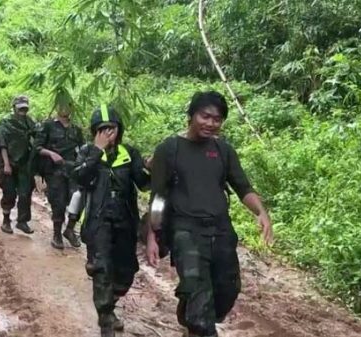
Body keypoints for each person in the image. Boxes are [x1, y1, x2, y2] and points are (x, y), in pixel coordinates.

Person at [145, 91, 273, 337]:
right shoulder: (169, 149)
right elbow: (158, 197)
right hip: (186, 232)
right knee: (199, 301)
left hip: (221, 230)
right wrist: (153, 235)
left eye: (217, 119)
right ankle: (198, 321)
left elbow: (242, 187)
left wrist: (261, 212)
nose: (211, 123)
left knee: (228, 289)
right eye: (205, 116)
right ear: (191, 115)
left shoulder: (223, 150)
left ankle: (193, 315)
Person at [74, 104, 150, 337]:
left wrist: (155, 169)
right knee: (103, 267)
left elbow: (144, 183)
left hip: (125, 220)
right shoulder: (87, 152)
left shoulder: (130, 153)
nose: (108, 133)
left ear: (120, 129)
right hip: (99, 220)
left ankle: (110, 304)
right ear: (95, 131)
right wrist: (97, 152)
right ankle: (105, 319)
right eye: (102, 128)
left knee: (126, 271)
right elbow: (79, 178)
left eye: (112, 128)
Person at [34, 105, 84, 249]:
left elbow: (82, 149)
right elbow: (37, 147)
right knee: (59, 202)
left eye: (68, 106)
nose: (65, 109)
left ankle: (69, 229)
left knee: (78, 198)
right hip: (54, 170)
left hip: (72, 170)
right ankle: (57, 234)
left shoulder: (76, 129)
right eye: (62, 105)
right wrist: (51, 153)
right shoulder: (48, 126)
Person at [0, 95, 37, 235]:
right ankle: (6, 220)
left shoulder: (29, 122)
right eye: (20, 109)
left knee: (25, 192)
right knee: (9, 192)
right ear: (14, 108)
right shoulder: (5, 122)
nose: (22, 111)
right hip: (8, 161)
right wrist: (6, 164)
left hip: (24, 162)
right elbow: (2, 143)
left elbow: (37, 135)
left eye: (25, 109)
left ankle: (22, 221)